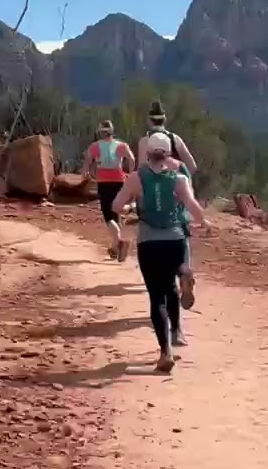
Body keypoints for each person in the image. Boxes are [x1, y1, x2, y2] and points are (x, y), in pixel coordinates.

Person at [112, 132, 207, 373]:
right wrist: (203, 222)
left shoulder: (135, 178)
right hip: (175, 239)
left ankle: (165, 352)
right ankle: (184, 272)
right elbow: (195, 210)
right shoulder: (178, 179)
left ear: (147, 152)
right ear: (168, 153)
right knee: (172, 284)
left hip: (149, 242)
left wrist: (132, 206)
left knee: (157, 297)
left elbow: (115, 206)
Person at [135, 100, 200, 308]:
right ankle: (186, 273)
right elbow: (192, 165)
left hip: (153, 195)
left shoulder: (144, 142)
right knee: (181, 232)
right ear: (165, 119)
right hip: (177, 191)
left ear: (148, 119)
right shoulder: (175, 139)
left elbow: (140, 171)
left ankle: (165, 286)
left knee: (156, 237)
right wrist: (184, 183)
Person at [83, 120, 136, 261]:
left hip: (104, 181)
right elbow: (131, 158)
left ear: (100, 132)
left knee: (108, 216)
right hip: (119, 180)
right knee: (115, 212)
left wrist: (85, 172)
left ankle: (119, 241)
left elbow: (88, 160)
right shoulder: (121, 145)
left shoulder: (95, 146)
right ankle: (114, 249)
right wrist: (130, 174)